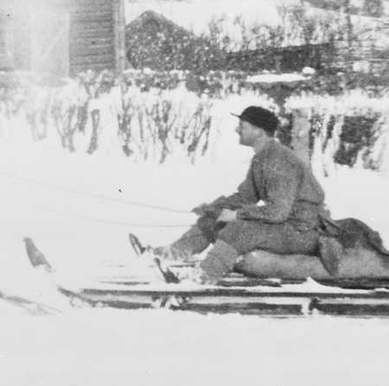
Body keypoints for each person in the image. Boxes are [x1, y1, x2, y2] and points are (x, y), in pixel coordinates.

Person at [133, 105, 341, 283]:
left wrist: (237, 215)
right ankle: (166, 256)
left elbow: (279, 212)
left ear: (259, 132)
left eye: (242, 126)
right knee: (212, 221)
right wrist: (213, 208)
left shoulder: (279, 160)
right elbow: (245, 197)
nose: (236, 130)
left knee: (239, 230)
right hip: (287, 225)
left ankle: (200, 279)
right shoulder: (262, 157)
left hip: (303, 231)